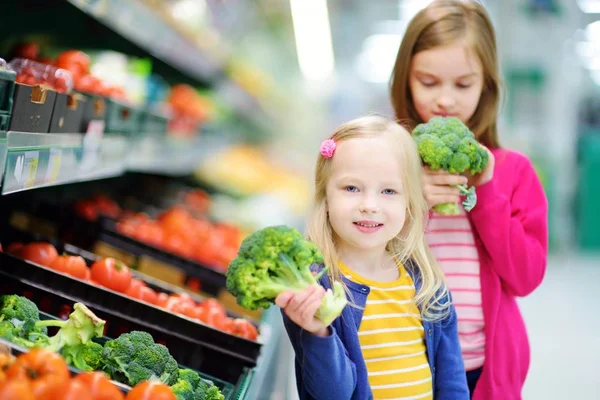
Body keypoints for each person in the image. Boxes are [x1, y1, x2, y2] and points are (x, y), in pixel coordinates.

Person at [389, 1, 548, 399]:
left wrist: (487, 193)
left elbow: (525, 278)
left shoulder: (513, 171)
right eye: (428, 82)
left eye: (463, 85)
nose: (446, 100)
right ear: (404, 81)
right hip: (404, 362)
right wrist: (409, 198)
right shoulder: (387, 161)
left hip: (485, 369)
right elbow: (361, 254)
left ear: (487, 85)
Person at [276, 115, 469, 400]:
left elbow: (452, 383)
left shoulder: (428, 285)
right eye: (351, 188)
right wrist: (318, 332)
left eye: (389, 191)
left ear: (410, 202)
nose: (369, 205)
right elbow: (331, 394)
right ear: (325, 195)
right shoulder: (314, 287)